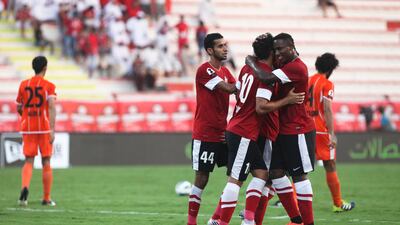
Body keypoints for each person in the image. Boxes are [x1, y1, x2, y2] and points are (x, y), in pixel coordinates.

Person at [209, 33, 305, 225]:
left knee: (262, 175)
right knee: (236, 179)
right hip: (245, 131)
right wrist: (287, 100)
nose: (278, 54)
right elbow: (261, 106)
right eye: (275, 50)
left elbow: (240, 92)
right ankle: (220, 222)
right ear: (270, 52)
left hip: (242, 128)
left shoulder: (246, 68)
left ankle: (249, 220)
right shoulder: (265, 76)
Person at [246, 33, 316, 225]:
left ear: (292, 47)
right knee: (275, 173)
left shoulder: (296, 67)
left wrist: (250, 62)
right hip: (284, 130)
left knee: (299, 176)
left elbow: (266, 77)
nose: (278, 53)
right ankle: (296, 218)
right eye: (275, 50)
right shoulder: (286, 66)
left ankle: (307, 222)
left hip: (299, 128)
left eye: (281, 49)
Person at [187, 33, 238, 225]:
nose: (225, 49)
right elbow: (229, 88)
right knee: (202, 178)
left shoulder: (225, 71)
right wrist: (254, 76)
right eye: (220, 46)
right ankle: (191, 222)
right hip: (205, 133)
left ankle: (216, 218)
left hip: (223, 133)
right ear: (210, 50)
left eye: (225, 45)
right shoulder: (204, 70)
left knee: (236, 173)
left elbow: (237, 88)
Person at [307, 53, 355, 213]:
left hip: (305, 126)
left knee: (300, 167)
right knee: (330, 164)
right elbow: (327, 109)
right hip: (320, 129)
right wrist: (332, 133)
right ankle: (338, 203)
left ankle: (291, 202)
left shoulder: (309, 80)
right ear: (331, 69)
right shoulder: (327, 83)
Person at [16, 56, 57, 206]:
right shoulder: (49, 86)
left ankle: (24, 189)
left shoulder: (23, 84)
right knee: (46, 160)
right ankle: (46, 198)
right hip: (44, 128)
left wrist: (26, 115)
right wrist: (52, 129)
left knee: (28, 161)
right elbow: (51, 106)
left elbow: (19, 107)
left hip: (28, 128)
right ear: (45, 68)